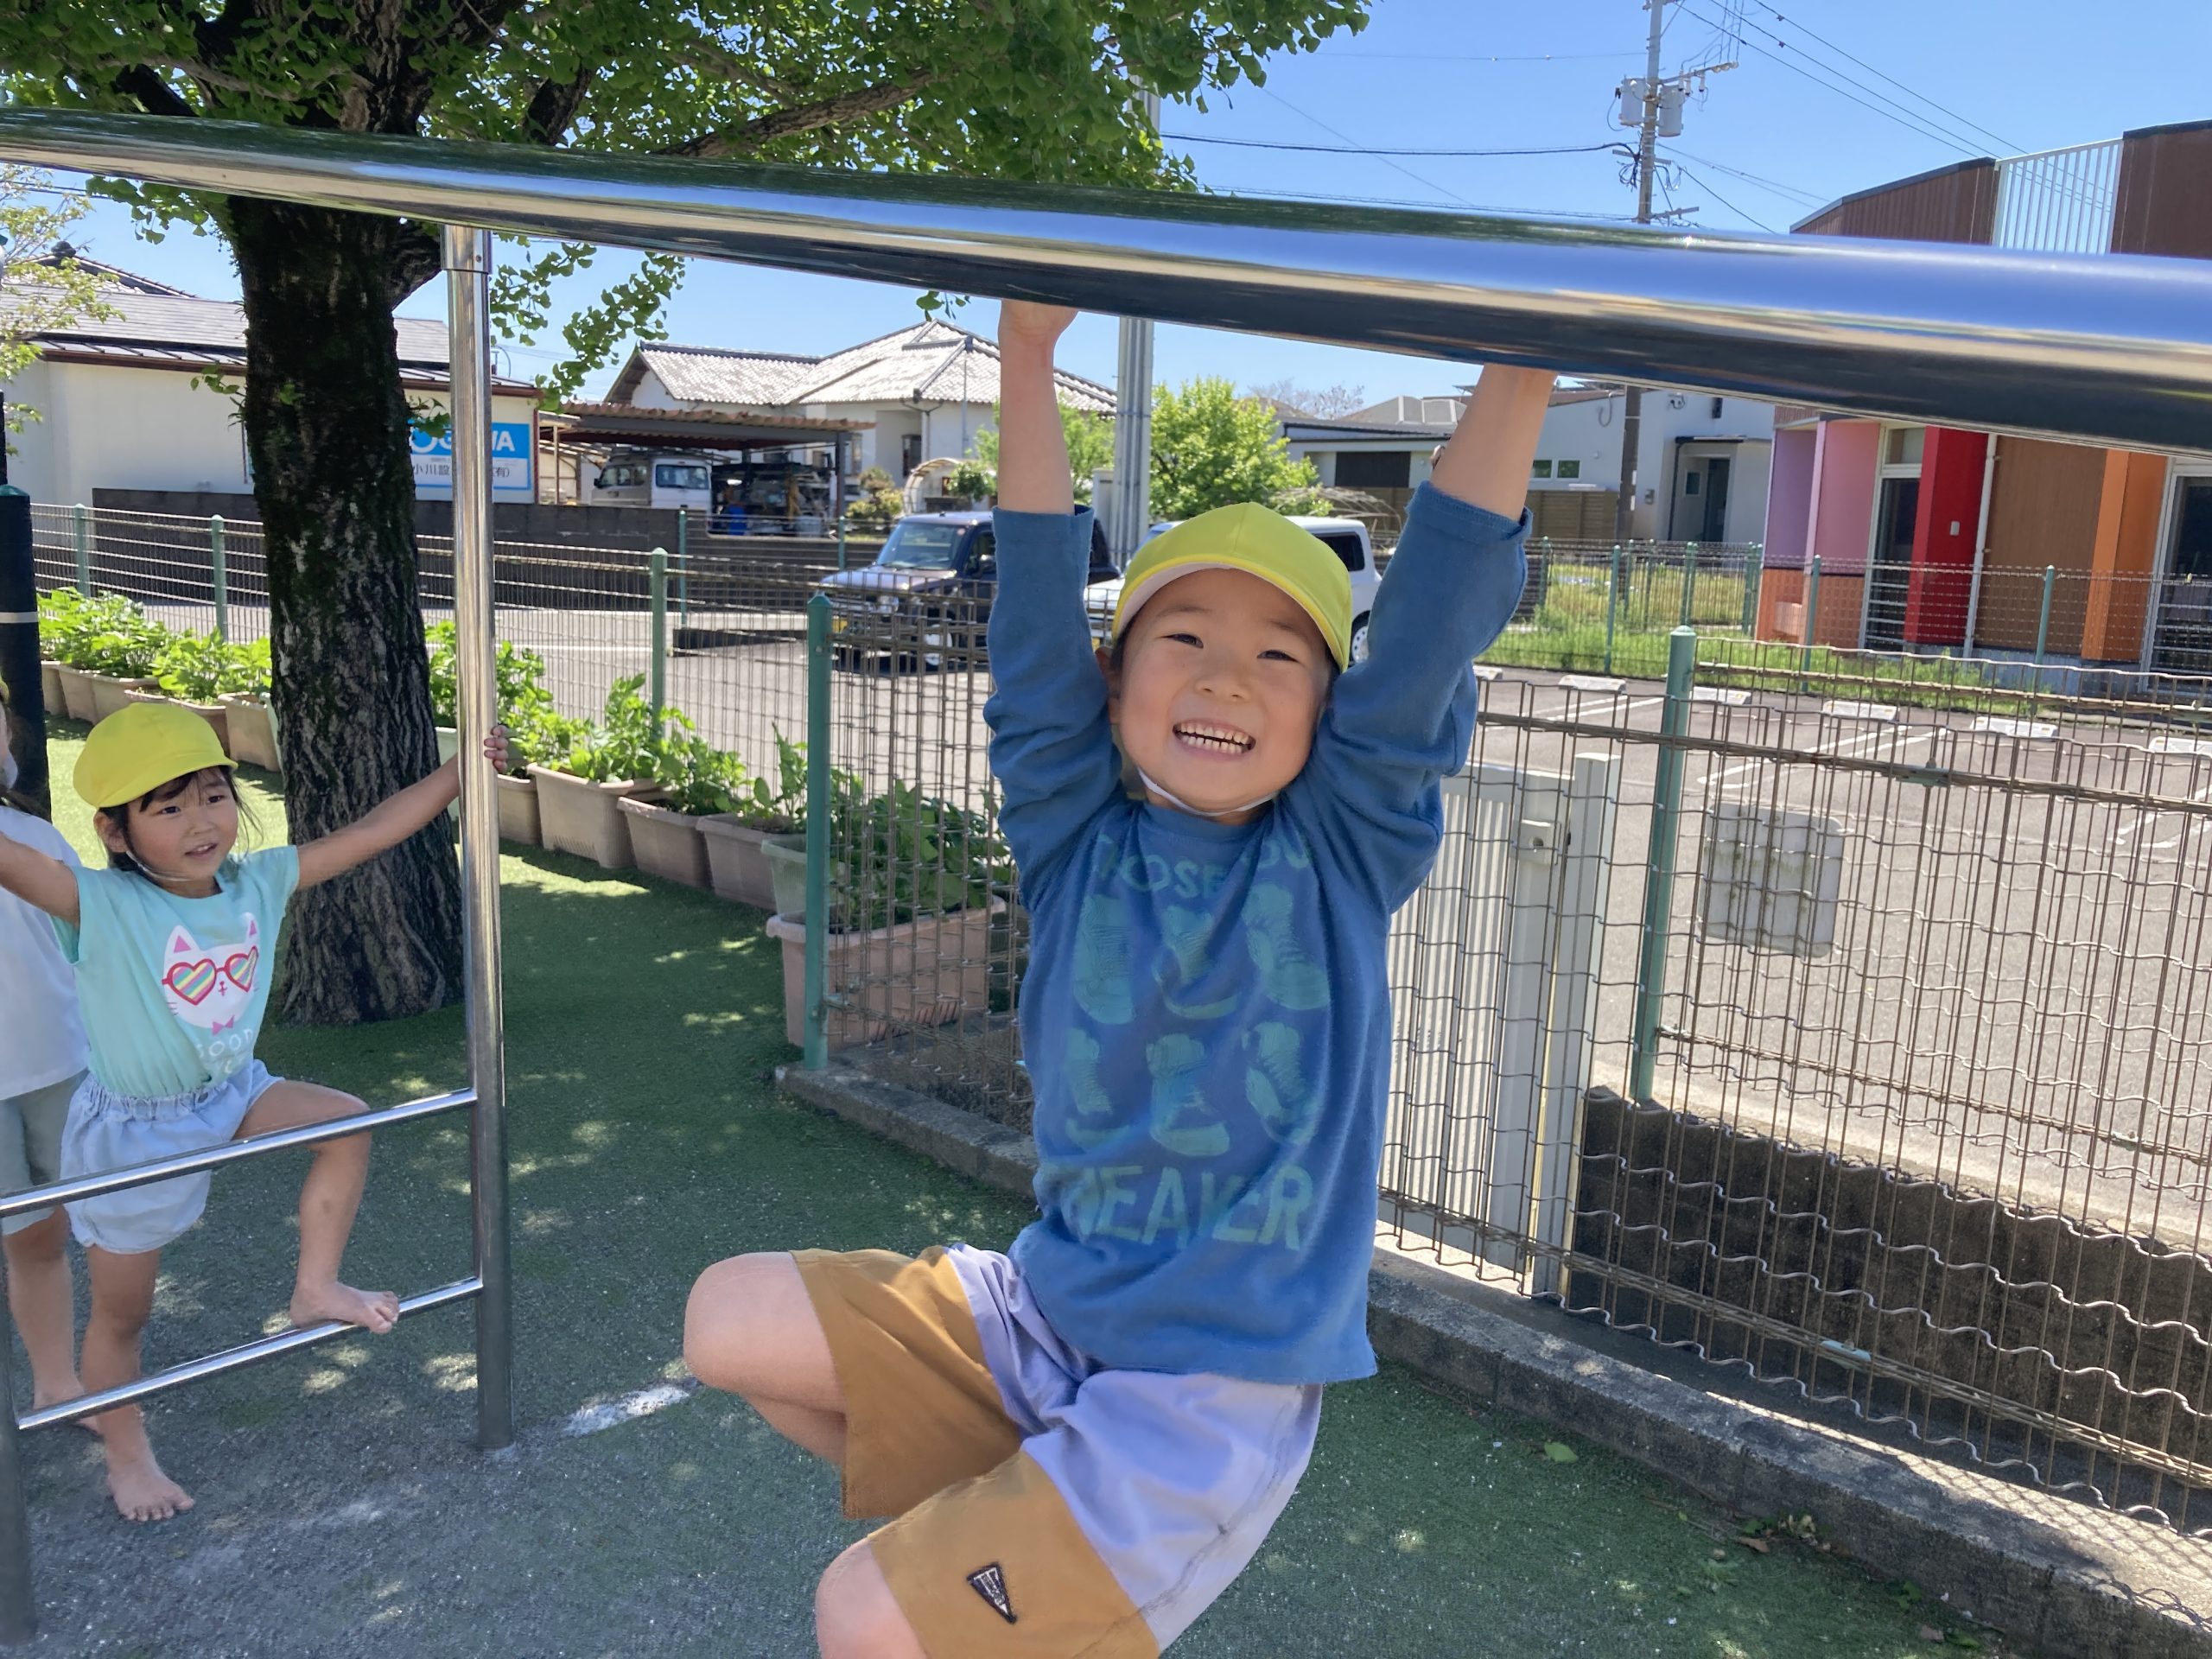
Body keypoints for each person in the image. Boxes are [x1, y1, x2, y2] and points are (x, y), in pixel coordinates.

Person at [683, 302, 1552, 1659]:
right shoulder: (1075, 836)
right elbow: (1031, 627)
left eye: (1279, 656)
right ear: (1114, 677)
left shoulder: (1338, 853)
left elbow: (1439, 614)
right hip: (1045, 1314)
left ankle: (1044, 1578)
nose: (1226, 679)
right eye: (1183, 639)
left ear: (1333, 710)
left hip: (1205, 1389)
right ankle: (1042, 1565)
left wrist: (1524, 364)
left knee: (861, 1616)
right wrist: (1026, 357)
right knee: (727, 1321)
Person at [0, 701, 506, 1524]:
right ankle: (127, 1457)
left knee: (346, 1123)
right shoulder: (98, 903)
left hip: (232, 1091)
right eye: (169, 808)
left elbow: (373, 832)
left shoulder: (257, 880)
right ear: (115, 832)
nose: (202, 822)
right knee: (124, 1316)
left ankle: (315, 1287)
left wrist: (461, 773)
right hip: (136, 1128)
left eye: (214, 795)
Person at [0, 689, 91, 1422]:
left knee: (52, 1232)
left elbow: (91, 940)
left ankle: (63, 1383)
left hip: (61, 1063)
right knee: (28, 1235)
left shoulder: (37, 838)